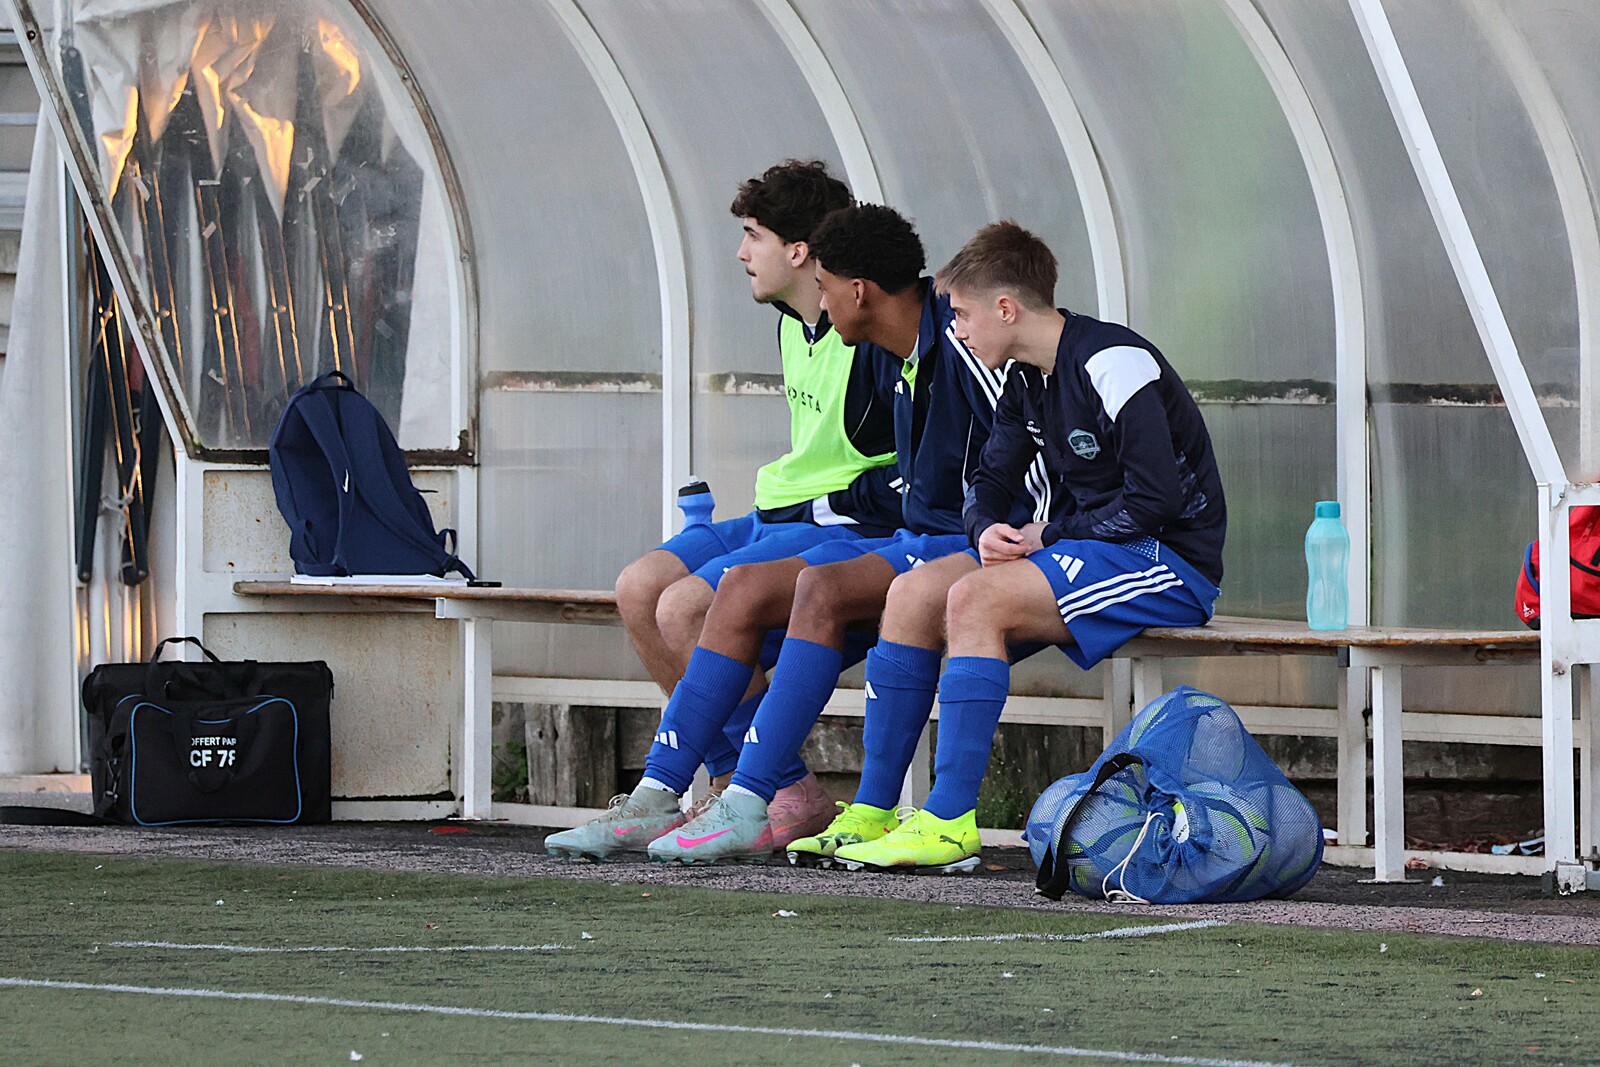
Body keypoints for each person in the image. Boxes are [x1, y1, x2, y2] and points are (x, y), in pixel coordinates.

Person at [639, 206, 1049, 865]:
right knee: (746, 585)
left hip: (974, 545)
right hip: (919, 536)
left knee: (821, 589)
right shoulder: (894, 354)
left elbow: (1032, 444)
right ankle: (662, 792)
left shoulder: (964, 343)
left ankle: (759, 797)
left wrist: (1027, 527)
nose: (822, 304)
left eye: (826, 287)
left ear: (858, 291)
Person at [827, 220, 1227, 874]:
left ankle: (948, 823)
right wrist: (983, 526)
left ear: (1007, 308)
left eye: (962, 314)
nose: (956, 330)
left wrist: (1051, 534)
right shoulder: (1025, 377)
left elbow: (1157, 502)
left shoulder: (1113, 361)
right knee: (913, 594)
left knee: (974, 599)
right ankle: (872, 810)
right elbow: (991, 477)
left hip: (1166, 560)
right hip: (1093, 548)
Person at [546, 163, 901, 860]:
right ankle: (756, 786)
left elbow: (907, 474)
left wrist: (831, 501)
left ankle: (751, 791)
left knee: (684, 607)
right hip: (775, 512)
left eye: (753, 236)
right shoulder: (790, 322)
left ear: (799, 251)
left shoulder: (871, 340)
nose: (741, 253)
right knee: (638, 586)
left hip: (835, 528)